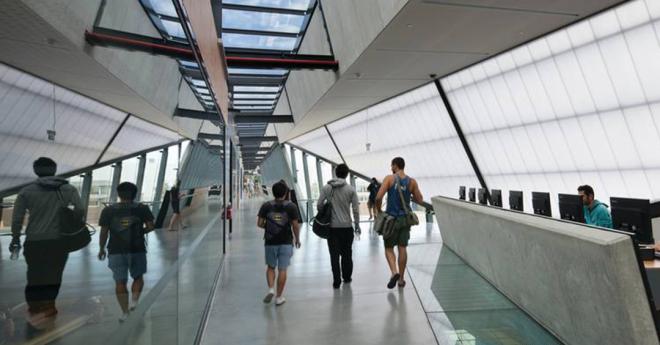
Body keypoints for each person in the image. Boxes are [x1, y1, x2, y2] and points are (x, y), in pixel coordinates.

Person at [10, 157, 83, 326]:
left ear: (36, 170)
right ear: (54, 170)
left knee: (34, 274)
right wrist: (72, 221)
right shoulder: (68, 188)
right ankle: (49, 304)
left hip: (34, 241)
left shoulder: (26, 191)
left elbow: (17, 218)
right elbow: (79, 209)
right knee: (55, 273)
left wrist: (15, 237)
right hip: (59, 241)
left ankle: (34, 306)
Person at [98, 182, 155, 322]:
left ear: (119, 194)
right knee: (138, 277)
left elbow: (104, 231)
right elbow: (151, 226)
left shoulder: (108, 210)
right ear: (134, 194)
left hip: (116, 250)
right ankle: (134, 302)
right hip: (137, 248)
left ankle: (124, 312)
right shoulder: (142, 208)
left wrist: (101, 248)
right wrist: (141, 231)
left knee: (119, 282)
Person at [375, 157, 424, 289]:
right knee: (402, 248)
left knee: (389, 248)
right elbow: (420, 200)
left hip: (391, 219)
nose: (391, 168)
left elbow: (378, 197)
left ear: (395, 166)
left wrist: (379, 210)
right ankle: (401, 279)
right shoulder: (412, 182)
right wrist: (409, 194)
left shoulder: (389, 179)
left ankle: (394, 272)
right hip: (405, 220)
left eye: (391, 166)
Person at [317, 164, 360, 289]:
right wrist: (356, 224)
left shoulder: (326, 188)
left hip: (332, 228)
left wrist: (324, 212)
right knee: (347, 253)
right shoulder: (351, 190)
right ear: (347, 174)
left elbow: (319, 204)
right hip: (347, 228)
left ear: (336, 173)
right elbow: (356, 209)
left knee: (334, 255)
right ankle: (347, 277)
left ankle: (336, 281)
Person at [257, 182, 301, 306]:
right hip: (286, 241)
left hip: (270, 241)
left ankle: (271, 288)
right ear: (286, 193)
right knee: (283, 269)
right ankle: (279, 297)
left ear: (273, 192)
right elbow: (295, 225)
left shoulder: (266, 206)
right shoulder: (291, 206)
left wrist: (271, 226)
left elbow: (259, 223)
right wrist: (297, 239)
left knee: (271, 267)